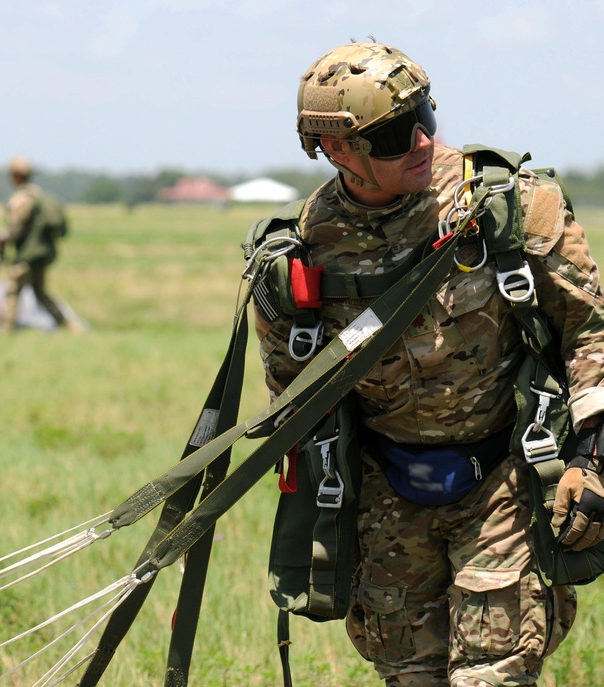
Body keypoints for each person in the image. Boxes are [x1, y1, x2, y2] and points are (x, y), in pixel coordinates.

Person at [250, 42, 604, 685]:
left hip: (502, 478)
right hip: (386, 495)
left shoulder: (509, 207)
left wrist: (593, 454)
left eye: (425, 118)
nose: (418, 140)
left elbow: (591, 331)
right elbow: (292, 393)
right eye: (389, 134)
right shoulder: (305, 246)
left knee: (492, 675)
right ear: (336, 150)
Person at [0, 156, 80, 332]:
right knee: (40, 293)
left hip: (27, 255)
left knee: (12, 291)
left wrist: (1, 239)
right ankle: (70, 326)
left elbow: (16, 229)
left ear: (15, 176)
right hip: (42, 254)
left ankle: (6, 330)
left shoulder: (22, 199)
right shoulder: (40, 195)